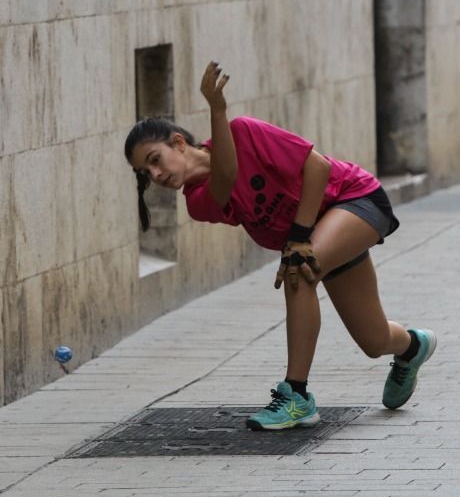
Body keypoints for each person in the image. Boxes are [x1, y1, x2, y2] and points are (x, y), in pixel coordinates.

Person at [124, 61, 436, 430]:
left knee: (299, 271)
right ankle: (412, 347)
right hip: (319, 230)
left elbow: (317, 167)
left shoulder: (244, 131)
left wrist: (301, 236)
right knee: (373, 339)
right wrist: (304, 237)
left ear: (178, 142)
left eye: (155, 160)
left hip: (354, 200)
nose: (156, 175)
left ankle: (296, 396)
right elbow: (224, 178)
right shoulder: (197, 202)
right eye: (146, 173)